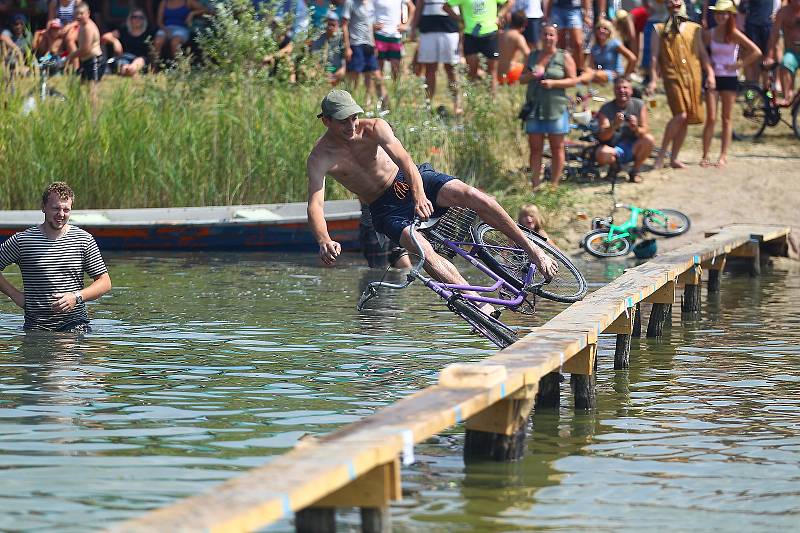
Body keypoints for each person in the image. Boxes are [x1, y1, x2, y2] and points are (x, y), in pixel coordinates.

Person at [307, 89, 558, 313]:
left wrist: (419, 195)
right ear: (326, 121)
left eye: (353, 118)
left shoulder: (374, 128)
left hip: (409, 178)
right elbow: (316, 204)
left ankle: (533, 250)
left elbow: (405, 161)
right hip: (384, 207)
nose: (351, 126)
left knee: (473, 195)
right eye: (343, 122)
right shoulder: (320, 157)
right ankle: (477, 302)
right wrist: (324, 240)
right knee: (423, 250)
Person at [0, 182, 112, 333]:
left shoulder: (83, 240)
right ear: (43, 207)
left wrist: (76, 297)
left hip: (75, 326)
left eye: (66, 210)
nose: (61, 214)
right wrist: (15, 295)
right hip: (35, 328)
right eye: (56, 208)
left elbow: (104, 282)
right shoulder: (23, 241)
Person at [646, 0, 714, 169]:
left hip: (693, 77)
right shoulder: (659, 29)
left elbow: (703, 54)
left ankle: (674, 158)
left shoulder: (695, 28)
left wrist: (710, 73)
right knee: (681, 115)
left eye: (677, 1)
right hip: (672, 77)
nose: (674, 4)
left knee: (686, 118)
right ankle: (662, 154)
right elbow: (654, 58)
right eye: (670, 2)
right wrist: (653, 80)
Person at [701, 0, 761, 167]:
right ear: (715, 15)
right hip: (713, 77)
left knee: (726, 118)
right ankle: (705, 155)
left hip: (729, 77)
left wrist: (739, 64)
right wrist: (708, 68)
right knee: (711, 118)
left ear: (730, 15)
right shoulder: (710, 33)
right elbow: (701, 52)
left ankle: (723, 155)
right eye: (719, 13)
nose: (721, 16)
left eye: (725, 13)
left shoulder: (734, 33)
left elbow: (756, 51)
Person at [520, 23, 578, 189]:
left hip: (556, 108)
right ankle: (535, 184)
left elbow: (573, 80)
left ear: (556, 37)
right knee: (535, 149)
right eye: (545, 34)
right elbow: (521, 79)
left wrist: (553, 83)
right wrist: (531, 75)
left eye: (551, 35)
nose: (548, 38)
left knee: (557, 147)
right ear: (541, 36)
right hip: (534, 108)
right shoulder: (532, 55)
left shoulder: (564, 56)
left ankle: (554, 184)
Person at [594, 76, 656, 182]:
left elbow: (645, 130)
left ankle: (635, 171)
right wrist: (614, 125)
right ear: (614, 90)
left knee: (649, 139)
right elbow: (603, 137)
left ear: (631, 90)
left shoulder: (639, 105)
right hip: (613, 148)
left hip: (633, 146)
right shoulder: (606, 109)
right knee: (601, 153)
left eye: (625, 87)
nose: (622, 90)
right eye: (618, 88)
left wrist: (635, 128)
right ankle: (614, 168)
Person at [445, 0, 511, 95]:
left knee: (492, 72)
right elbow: (446, 6)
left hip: (490, 35)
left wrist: (500, 15)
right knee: (471, 72)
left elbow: (510, 2)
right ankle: (472, 102)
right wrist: (459, 19)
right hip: (471, 35)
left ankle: (491, 104)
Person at [411, 0, 462, 114]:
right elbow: (419, 5)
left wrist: (462, 25)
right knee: (429, 70)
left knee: (451, 69)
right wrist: (413, 28)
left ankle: (457, 105)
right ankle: (427, 105)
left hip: (450, 29)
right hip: (428, 29)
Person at [342, 0, 381, 106]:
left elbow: (370, 26)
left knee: (370, 72)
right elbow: (344, 25)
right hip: (355, 43)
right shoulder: (350, 3)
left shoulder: (371, 4)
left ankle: (367, 101)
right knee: (355, 72)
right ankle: (351, 99)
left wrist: (373, 44)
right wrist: (347, 47)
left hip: (369, 44)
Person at [101, 8, 160, 76]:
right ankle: (130, 73)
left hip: (141, 59)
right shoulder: (124, 30)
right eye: (134, 17)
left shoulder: (149, 32)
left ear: (144, 20)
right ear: (130, 19)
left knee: (138, 62)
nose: (137, 19)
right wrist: (115, 42)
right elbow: (105, 37)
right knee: (123, 65)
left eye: (140, 17)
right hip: (124, 57)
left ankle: (130, 71)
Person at [765, 0, 800, 105]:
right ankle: (786, 97)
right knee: (785, 63)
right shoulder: (783, 13)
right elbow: (774, 36)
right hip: (792, 52)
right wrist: (769, 56)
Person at [544, 0, 590, 74]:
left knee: (578, 43)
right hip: (557, 9)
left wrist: (586, 14)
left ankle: (579, 70)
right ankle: (562, 69)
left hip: (574, 9)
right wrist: (547, 13)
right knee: (560, 44)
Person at [586, 18, 637, 83]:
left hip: (615, 74)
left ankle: (576, 82)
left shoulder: (614, 43)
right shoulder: (595, 47)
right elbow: (592, 65)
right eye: (599, 28)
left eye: (605, 28)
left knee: (594, 75)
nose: (601, 30)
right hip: (600, 73)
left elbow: (632, 58)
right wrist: (595, 70)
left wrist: (625, 76)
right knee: (587, 71)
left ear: (610, 32)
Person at [65, 2, 105, 83]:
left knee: (92, 90)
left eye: (81, 13)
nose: (79, 16)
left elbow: (86, 49)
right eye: (76, 13)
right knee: (81, 88)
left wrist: (70, 57)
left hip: (95, 62)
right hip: (86, 61)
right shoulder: (81, 25)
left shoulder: (88, 28)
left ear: (88, 13)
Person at [374, 0, 414, 81]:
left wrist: (406, 25)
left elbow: (412, 8)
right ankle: (379, 92)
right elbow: (367, 9)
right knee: (377, 70)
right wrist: (371, 25)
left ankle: (395, 91)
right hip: (379, 35)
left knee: (396, 69)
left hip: (395, 36)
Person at [743, 0, 776, 82]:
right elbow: (742, 6)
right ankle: (752, 86)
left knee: (767, 57)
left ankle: (766, 86)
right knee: (752, 55)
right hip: (752, 24)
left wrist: (777, 11)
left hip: (767, 24)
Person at [311, 11, 347, 84]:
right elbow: (315, 59)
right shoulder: (318, 39)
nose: (330, 27)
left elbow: (346, 59)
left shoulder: (342, 39)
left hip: (337, 70)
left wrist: (338, 73)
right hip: (323, 70)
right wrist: (323, 73)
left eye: (333, 25)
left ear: (337, 25)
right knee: (311, 72)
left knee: (345, 72)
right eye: (328, 24)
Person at [498, 11, 530, 84]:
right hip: (510, 74)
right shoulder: (518, 37)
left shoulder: (499, 34)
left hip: (497, 74)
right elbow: (528, 55)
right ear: (524, 24)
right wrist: (526, 70)